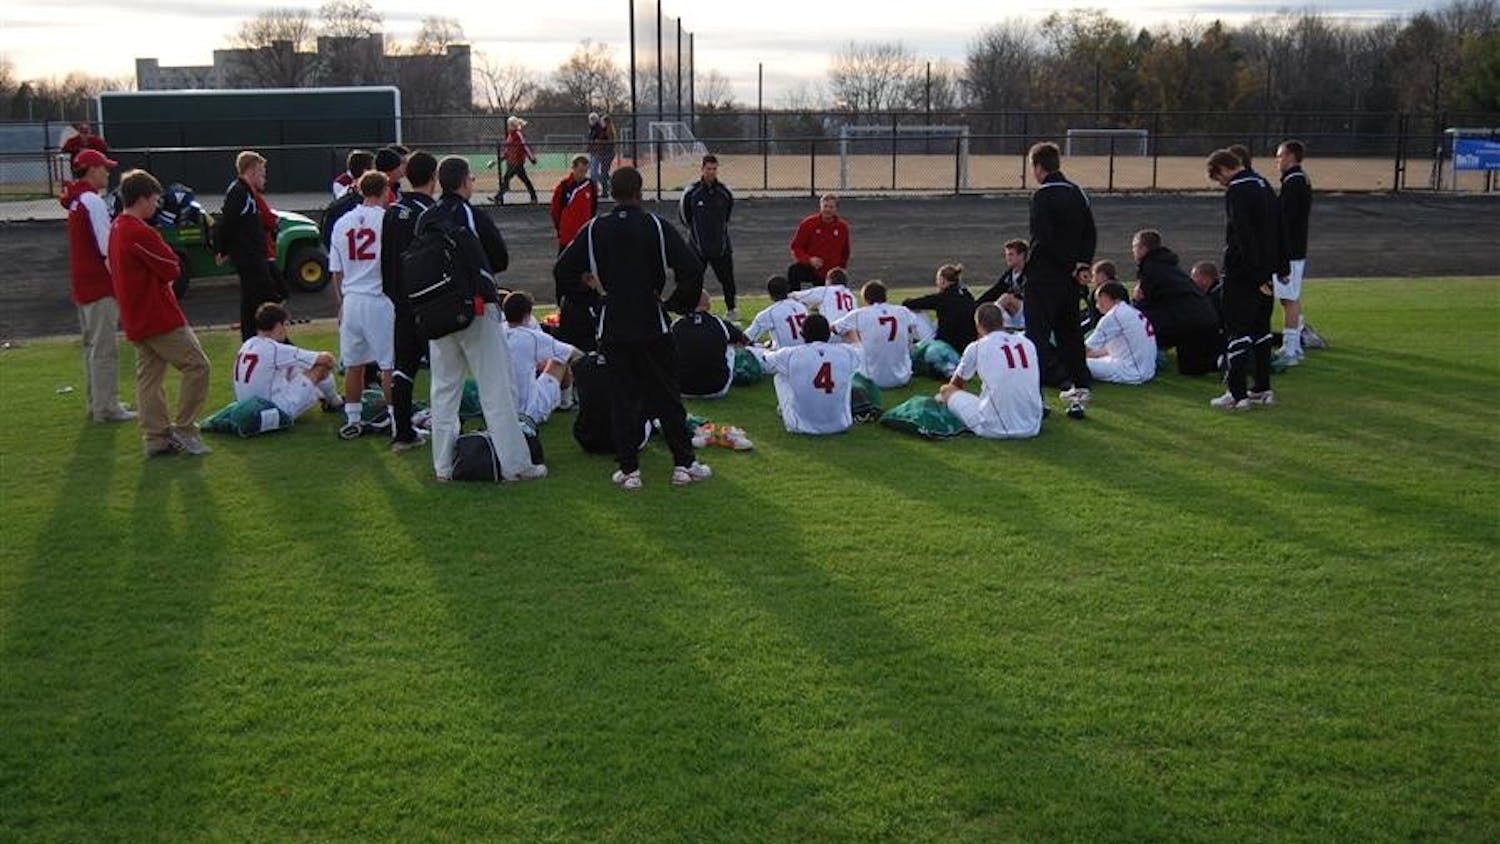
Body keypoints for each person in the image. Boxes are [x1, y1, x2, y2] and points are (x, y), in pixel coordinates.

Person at [554, 166, 710, 491]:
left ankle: (629, 471)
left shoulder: (595, 228)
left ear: (612, 192)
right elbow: (691, 266)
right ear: (640, 192)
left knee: (622, 397)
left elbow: (563, 270)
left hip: (613, 323)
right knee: (667, 395)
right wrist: (676, 303)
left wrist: (590, 297)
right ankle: (684, 464)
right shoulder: (654, 224)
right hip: (651, 320)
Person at [417, 155, 546, 482]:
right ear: (463, 182)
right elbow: (498, 258)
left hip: (436, 312)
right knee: (497, 389)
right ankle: (516, 465)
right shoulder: (470, 214)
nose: (473, 184)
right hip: (473, 308)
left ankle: (442, 467)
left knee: (444, 392)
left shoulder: (426, 218)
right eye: (471, 179)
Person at [109, 169, 212, 457]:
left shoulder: (117, 227)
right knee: (197, 366)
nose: (157, 205)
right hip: (157, 315)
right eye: (154, 200)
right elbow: (171, 266)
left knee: (149, 377)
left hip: (135, 315)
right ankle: (185, 427)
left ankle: (155, 437)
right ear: (142, 199)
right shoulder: (139, 231)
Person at [1024, 141, 1097, 419]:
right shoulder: (1077, 192)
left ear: (1038, 166)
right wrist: (1082, 264)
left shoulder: (1042, 196)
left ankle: (1036, 396)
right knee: (1070, 334)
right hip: (1071, 279)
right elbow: (1090, 232)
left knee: (1037, 337)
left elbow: (1044, 238)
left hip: (1045, 276)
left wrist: (1068, 264)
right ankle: (1080, 389)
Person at [61, 148, 135, 423]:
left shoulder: (77, 200)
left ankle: (98, 401)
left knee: (92, 346)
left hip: (83, 284)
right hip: (98, 285)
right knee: (104, 348)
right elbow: (107, 248)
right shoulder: (91, 201)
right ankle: (107, 406)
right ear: (92, 170)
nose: (107, 171)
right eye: (103, 167)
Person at [1207, 147, 1279, 410]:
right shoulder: (1263, 184)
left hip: (1242, 273)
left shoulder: (1237, 190)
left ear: (1224, 169)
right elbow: (1277, 228)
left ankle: (1237, 394)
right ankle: (1262, 387)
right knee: (1261, 330)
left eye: (1218, 178)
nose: (1221, 183)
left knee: (1236, 330)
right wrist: (1275, 268)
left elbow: (1242, 234)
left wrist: (1254, 272)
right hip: (1267, 271)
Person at [328, 171, 394, 439]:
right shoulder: (386, 220)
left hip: (352, 299)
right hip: (378, 298)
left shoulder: (343, 222)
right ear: (384, 190)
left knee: (354, 364)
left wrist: (342, 302)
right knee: (389, 365)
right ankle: (395, 418)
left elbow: (336, 270)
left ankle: (353, 419)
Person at [381, 150, 439, 453]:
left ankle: (402, 432)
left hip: (400, 301)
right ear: (434, 177)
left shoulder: (393, 210)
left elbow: (386, 261)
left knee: (403, 366)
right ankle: (446, 429)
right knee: (442, 367)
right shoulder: (429, 212)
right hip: (427, 303)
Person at [938, 303, 1043, 440]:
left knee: (946, 391)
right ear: (1002, 322)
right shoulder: (1027, 343)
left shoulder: (977, 347)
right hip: (1033, 425)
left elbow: (956, 385)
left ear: (978, 326)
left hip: (995, 428)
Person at [1130, 229, 1221, 375]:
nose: (1133, 251)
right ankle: (1225, 361)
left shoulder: (1150, 268)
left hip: (1185, 319)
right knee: (1192, 368)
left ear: (1143, 248)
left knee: (1140, 325)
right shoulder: (1168, 265)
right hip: (1202, 316)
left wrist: (1135, 300)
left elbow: (1145, 305)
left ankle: (1144, 360)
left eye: (1134, 247)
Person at [217, 151, 286, 341]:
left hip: (253, 256)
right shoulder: (239, 192)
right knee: (271, 299)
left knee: (251, 305)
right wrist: (222, 249)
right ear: (253, 171)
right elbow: (226, 222)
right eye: (263, 173)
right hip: (251, 258)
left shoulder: (246, 193)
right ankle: (281, 345)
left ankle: (252, 342)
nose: (265, 178)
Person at [233, 302, 342, 418]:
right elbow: (327, 359)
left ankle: (323, 397)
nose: (285, 329)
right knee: (321, 367)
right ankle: (335, 402)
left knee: (294, 367)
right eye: (284, 324)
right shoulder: (274, 349)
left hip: (246, 408)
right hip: (271, 411)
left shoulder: (247, 345)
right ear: (278, 326)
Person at [760, 314, 863, 435]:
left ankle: (786, 409)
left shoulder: (789, 354)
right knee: (846, 370)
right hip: (841, 424)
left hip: (800, 426)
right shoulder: (847, 351)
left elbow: (765, 359)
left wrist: (766, 348)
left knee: (780, 374)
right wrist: (852, 334)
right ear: (829, 334)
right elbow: (859, 349)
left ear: (802, 334)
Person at [502, 292, 580, 424]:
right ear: (527, 314)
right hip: (529, 412)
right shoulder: (531, 337)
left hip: (500, 412)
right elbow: (571, 352)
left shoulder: (497, 332)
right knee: (559, 359)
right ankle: (566, 402)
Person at [831, 280, 922, 388]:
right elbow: (915, 324)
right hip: (903, 377)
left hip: (871, 380)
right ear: (885, 296)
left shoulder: (859, 314)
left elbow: (834, 327)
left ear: (866, 298)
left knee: (847, 333)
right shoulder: (902, 311)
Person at [680, 154, 738, 320]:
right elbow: (685, 217)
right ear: (702, 169)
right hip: (697, 248)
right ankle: (690, 310)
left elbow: (727, 216)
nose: (711, 172)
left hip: (721, 247)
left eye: (714, 169)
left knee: (728, 280)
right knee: (693, 281)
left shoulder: (724, 192)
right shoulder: (691, 192)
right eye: (708, 169)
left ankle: (732, 310)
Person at [1275, 139, 1313, 365]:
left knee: (1288, 298)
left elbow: (1284, 220)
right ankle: (1296, 345)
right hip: (1296, 249)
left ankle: (1290, 350)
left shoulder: (1293, 182)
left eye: (1279, 156)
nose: (1277, 160)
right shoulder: (1299, 180)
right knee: (1291, 297)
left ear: (1290, 156)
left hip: (1289, 251)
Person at [671, 290, 748, 399]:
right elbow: (743, 340)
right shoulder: (720, 323)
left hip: (681, 389)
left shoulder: (676, 325)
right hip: (717, 389)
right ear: (708, 305)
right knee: (730, 346)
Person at [1085, 281, 1157, 385]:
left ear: (1105, 297)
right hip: (1147, 370)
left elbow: (1085, 349)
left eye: (1097, 300)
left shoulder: (1113, 315)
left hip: (1131, 371)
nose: (1097, 305)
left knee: (1072, 361)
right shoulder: (1133, 312)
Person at [903, 263, 977, 352]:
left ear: (942, 280)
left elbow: (909, 303)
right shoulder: (967, 295)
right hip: (967, 343)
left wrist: (910, 303)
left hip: (945, 345)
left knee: (916, 313)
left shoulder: (942, 298)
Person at [787, 194, 850, 291]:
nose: (827, 210)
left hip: (830, 273)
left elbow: (845, 252)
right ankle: (794, 302)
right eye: (825, 206)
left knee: (828, 299)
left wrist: (840, 271)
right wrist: (809, 260)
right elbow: (796, 247)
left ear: (836, 209)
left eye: (831, 207)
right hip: (811, 268)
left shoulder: (842, 227)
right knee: (794, 271)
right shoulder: (809, 223)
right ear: (820, 206)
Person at [744, 275, 809, 349]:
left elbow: (745, 339)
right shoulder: (802, 307)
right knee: (769, 343)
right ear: (788, 289)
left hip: (784, 357)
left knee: (750, 347)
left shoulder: (768, 313)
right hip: (806, 352)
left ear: (770, 294)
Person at [976, 238, 1028, 329]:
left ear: (1021, 255)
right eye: (1006, 255)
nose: (1008, 258)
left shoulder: (1031, 273)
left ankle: (992, 318)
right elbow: (995, 291)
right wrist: (976, 305)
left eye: (1011, 254)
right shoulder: (1009, 274)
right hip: (1016, 313)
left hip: (1029, 311)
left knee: (1006, 298)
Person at [550, 155, 597, 252]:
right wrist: (558, 227)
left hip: (584, 232)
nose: (582, 175)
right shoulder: (564, 186)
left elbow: (593, 207)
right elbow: (555, 209)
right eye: (580, 171)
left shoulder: (590, 185)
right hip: (567, 233)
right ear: (573, 168)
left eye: (585, 171)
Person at [792, 266, 858, 325]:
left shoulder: (825, 291)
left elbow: (796, 296)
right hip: (851, 334)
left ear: (829, 280)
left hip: (833, 331)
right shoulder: (851, 295)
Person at [495, 116, 538, 205]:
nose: (508, 127)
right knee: (524, 179)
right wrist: (502, 158)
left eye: (509, 125)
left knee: (507, 178)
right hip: (511, 162)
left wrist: (532, 158)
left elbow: (525, 146)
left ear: (513, 125)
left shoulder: (518, 134)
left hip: (517, 162)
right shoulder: (510, 135)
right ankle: (533, 197)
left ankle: (498, 197)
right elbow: (508, 150)